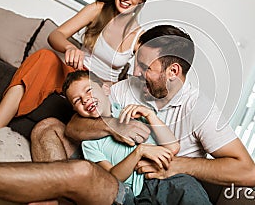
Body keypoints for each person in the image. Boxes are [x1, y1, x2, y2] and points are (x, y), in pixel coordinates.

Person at [0, 25, 255, 204]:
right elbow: (74, 128)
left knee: (83, 173)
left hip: (143, 185)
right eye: (136, 62)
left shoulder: (200, 108)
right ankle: (50, 199)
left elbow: (247, 171)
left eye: (145, 67)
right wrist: (112, 128)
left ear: (173, 71)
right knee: (47, 126)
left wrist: (176, 165)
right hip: (106, 166)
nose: (135, 72)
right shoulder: (128, 88)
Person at [0, 0, 151, 138]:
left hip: (100, 87)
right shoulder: (97, 9)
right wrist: (70, 47)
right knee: (44, 57)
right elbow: (56, 35)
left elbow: (143, 77)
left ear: (141, 1)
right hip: (75, 74)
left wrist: (112, 85)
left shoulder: (139, 36)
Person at [64, 70, 211, 204]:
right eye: (77, 100)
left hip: (167, 179)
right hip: (137, 195)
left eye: (89, 90)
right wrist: (139, 151)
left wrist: (150, 115)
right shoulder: (88, 143)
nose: (85, 100)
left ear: (105, 89)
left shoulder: (131, 112)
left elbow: (173, 147)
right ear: (75, 110)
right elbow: (112, 178)